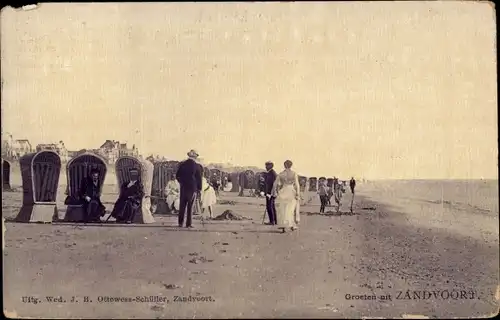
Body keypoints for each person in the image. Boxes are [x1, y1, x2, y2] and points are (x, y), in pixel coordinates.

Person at [175, 149, 203, 228]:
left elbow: (177, 176)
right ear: (195, 157)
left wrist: (182, 182)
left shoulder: (182, 164)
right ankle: (189, 224)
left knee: (182, 205)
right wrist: (199, 188)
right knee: (190, 207)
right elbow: (199, 178)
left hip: (183, 187)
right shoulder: (197, 166)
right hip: (192, 188)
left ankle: (180, 223)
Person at [272, 160, 300, 233]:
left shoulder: (281, 174)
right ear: (291, 165)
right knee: (290, 209)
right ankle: (291, 224)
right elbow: (297, 185)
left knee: (283, 209)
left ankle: (284, 226)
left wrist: (274, 192)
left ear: (284, 165)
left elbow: (275, 184)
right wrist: (298, 193)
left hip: (283, 191)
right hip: (291, 191)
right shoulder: (294, 173)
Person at [264, 161, 278, 225]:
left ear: (271, 166)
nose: (265, 167)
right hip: (270, 193)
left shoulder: (272, 173)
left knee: (269, 207)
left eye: (267, 165)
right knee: (271, 206)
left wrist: (269, 193)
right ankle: (274, 221)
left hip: (271, 193)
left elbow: (273, 185)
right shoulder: (270, 173)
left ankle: (272, 221)